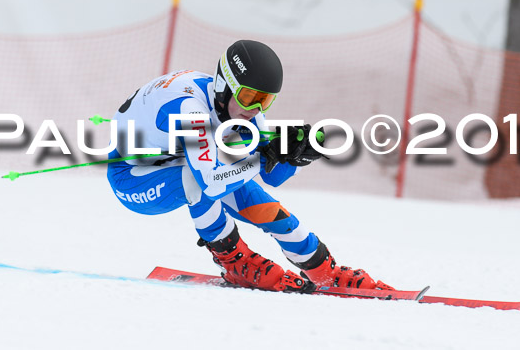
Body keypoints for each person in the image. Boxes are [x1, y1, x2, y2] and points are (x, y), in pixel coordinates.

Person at [107, 40, 393, 292]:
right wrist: (263, 157)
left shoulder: (245, 111)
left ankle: (324, 271)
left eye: (264, 100)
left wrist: (296, 155)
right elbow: (210, 182)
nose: (254, 109)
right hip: (133, 179)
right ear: (224, 86)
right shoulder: (188, 108)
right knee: (200, 180)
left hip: (187, 164)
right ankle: (235, 261)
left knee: (258, 198)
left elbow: (273, 176)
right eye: (248, 97)